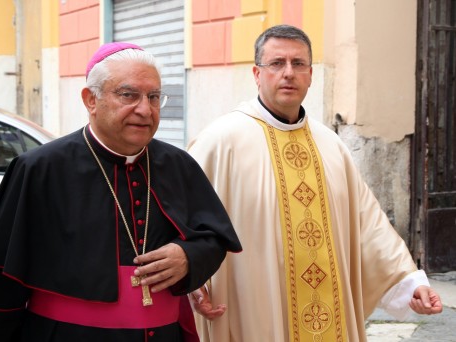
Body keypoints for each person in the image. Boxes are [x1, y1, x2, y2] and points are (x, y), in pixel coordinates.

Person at [0, 42, 242, 342]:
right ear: (91, 100)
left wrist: (188, 256)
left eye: (153, 97)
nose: (144, 108)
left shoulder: (177, 164)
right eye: (128, 95)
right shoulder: (38, 168)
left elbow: (214, 236)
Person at [187, 25, 443, 341]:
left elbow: (368, 224)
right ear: (257, 73)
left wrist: (409, 282)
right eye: (276, 63)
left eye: (298, 64)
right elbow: (184, 218)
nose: (288, 73)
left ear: (311, 75)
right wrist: (193, 279)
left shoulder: (330, 145)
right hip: (257, 312)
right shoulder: (221, 141)